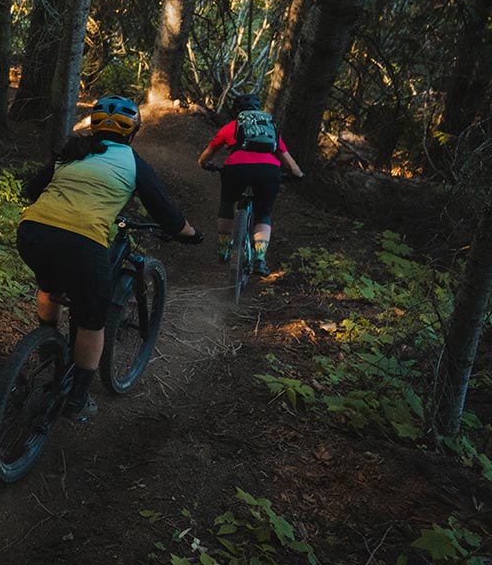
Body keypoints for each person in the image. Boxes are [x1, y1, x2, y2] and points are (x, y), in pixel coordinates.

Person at [16, 95, 203, 422]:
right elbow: (166, 213)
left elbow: (31, 191)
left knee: (50, 283)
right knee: (93, 320)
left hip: (32, 234)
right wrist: (189, 233)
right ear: (133, 132)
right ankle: (76, 401)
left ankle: (47, 343)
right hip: (83, 243)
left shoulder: (71, 152)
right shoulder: (132, 162)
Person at [195, 93, 306, 275]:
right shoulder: (268, 128)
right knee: (263, 213)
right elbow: (287, 160)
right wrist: (298, 174)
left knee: (227, 204)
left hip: (236, 169)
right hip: (268, 171)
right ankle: (260, 260)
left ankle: (223, 250)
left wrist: (203, 164)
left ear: (236, 110)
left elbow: (208, 153)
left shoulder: (230, 127)